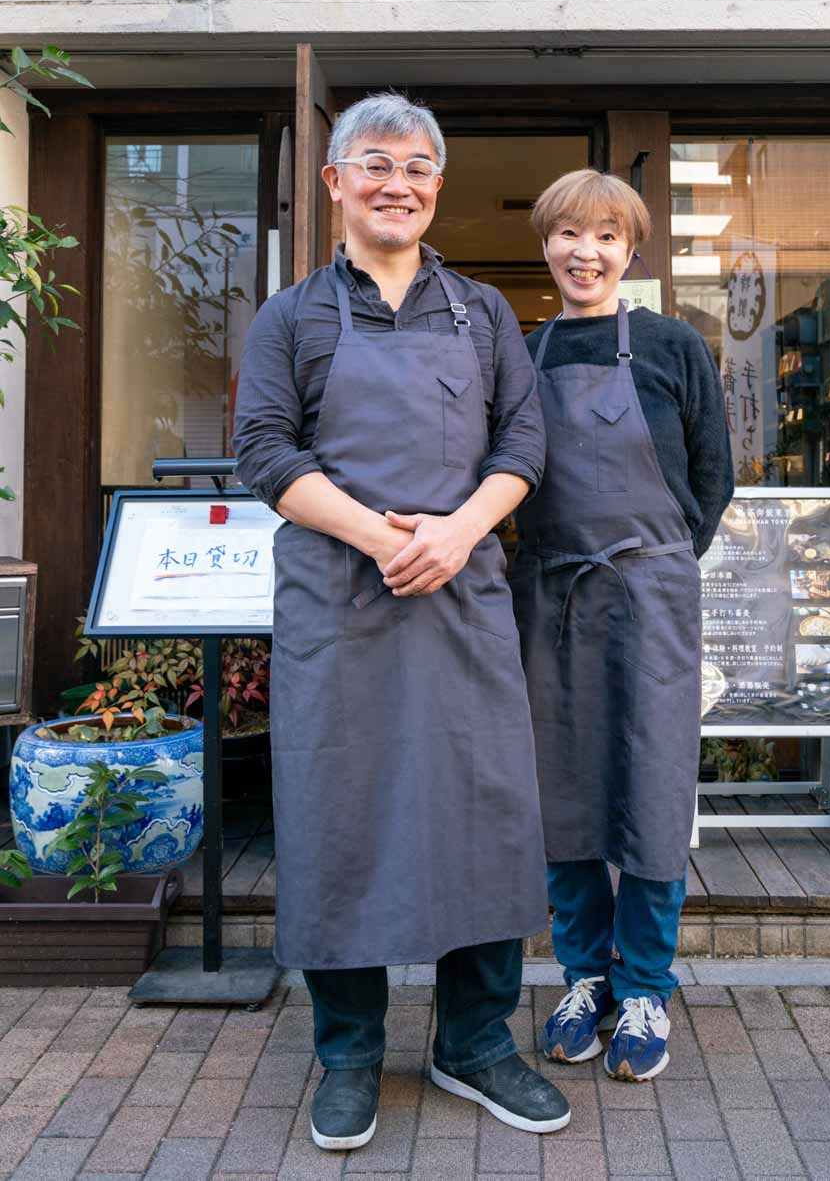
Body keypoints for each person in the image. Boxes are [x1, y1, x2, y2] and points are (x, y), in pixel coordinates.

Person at [233, 93, 570, 1150]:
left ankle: (475, 1041)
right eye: (376, 164)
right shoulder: (291, 317)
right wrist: (381, 539)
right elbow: (263, 451)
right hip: (339, 602)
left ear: (436, 187)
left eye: (418, 167)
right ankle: (347, 1054)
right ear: (335, 182)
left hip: (461, 598)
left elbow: (522, 442)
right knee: (339, 812)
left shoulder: (481, 312)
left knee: (484, 809)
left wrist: (459, 532)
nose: (398, 183)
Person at [512, 168, 734, 1082]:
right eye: (569, 233)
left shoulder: (673, 345)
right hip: (551, 593)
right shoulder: (517, 355)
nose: (586, 252)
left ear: (630, 250)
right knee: (560, 791)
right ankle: (583, 978)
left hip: (651, 592)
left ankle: (643, 986)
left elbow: (713, 476)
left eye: (606, 235)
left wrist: (659, 561)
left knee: (651, 788)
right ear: (546, 245)